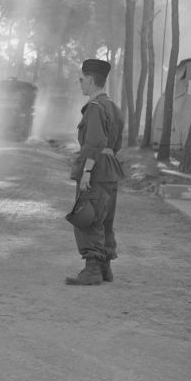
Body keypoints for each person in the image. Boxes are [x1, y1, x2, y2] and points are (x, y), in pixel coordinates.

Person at [66, 58, 125, 286]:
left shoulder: (95, 107)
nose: (80, 83)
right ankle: (104, 268)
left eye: (81, 79)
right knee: (104, 218)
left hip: (96, 169)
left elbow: (94, 142)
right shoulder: (113, 107)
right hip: (110, 168)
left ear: (90, 80)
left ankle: (92, 271)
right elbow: (115, 142)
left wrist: (87, 171)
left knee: (88, 217)